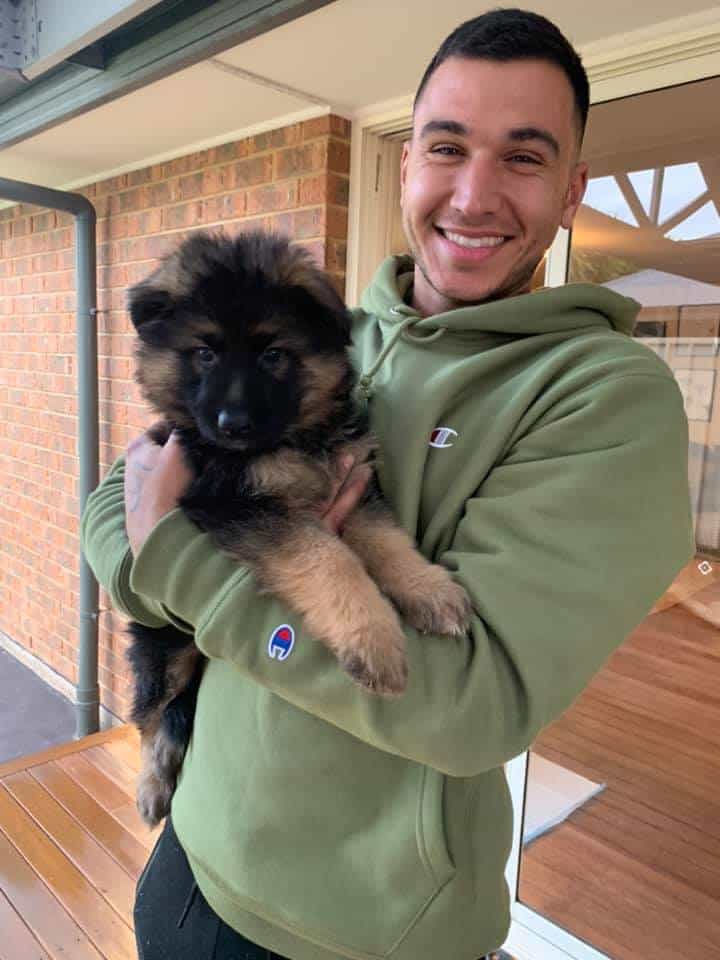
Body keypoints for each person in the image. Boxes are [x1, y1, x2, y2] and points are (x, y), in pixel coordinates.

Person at [81, 9, 694, 960]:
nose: (475, 192)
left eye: (523, 158)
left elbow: (467, 708)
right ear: (408, 163)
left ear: (572, 191)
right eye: (448, 146)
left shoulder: (605, 399)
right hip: (190, 858)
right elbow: (119, 509)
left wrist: (184, 567)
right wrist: (160, 550)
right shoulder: (336, 336)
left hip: (364, 930)